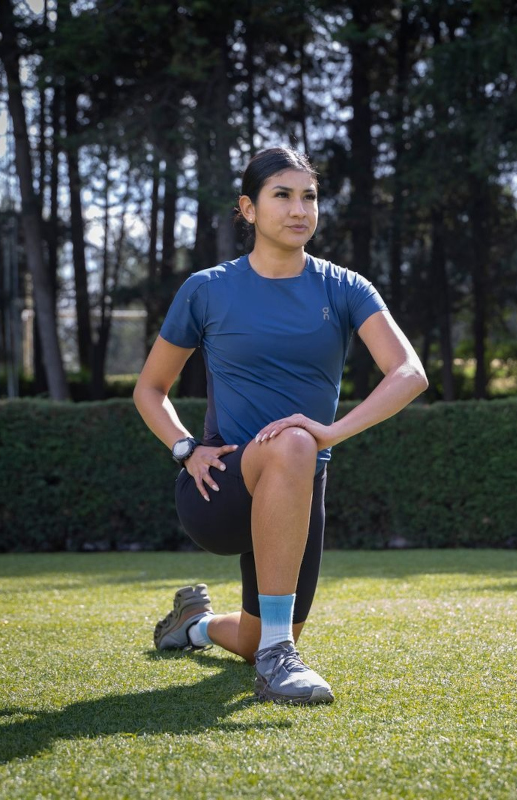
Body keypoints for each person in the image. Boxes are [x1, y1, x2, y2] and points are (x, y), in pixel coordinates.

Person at [133, 146, 428, 705]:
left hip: (298, 492)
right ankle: (278, 662)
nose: (299, 210)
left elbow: (409, 373)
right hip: (219, 487)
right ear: (248, 209)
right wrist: (185, 449)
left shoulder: (344, 287)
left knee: (254, 639)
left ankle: (194, 624)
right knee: (293, 440)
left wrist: (332, 432)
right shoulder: (207, 288)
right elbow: (149, 388)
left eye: (309, 197)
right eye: (283, 196)